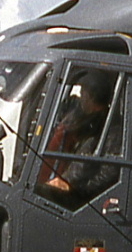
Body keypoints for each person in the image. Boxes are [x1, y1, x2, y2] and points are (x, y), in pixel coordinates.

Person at [42, 71, 122, 208]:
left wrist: (73, 187)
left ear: (91, 97)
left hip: (83, 199)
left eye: (83, 94)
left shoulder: (110, 128)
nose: (80, 98)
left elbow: (108, 171)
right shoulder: (84, 117)